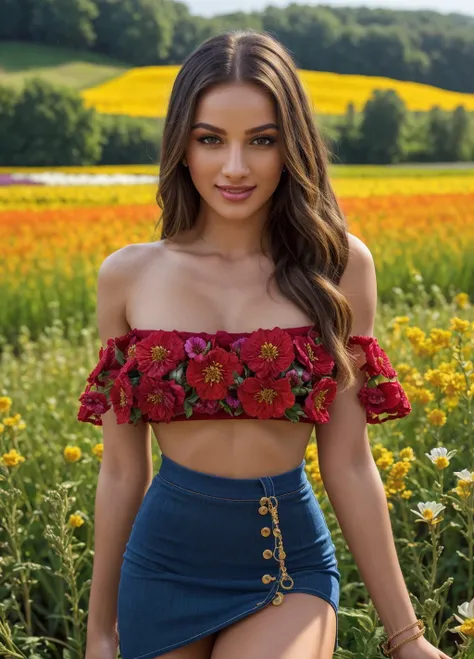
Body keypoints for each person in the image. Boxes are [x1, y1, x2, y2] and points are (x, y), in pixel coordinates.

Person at [78, 29, 446, 659]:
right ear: (182, 146)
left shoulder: (340, 267)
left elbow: (350, 464)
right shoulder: (128, 276)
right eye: (211, 139)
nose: (236, 167)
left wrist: (406, 638)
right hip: (159, 569)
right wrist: (99, 632)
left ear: (293, 146)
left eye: (263, 141)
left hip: (286, 570)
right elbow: (121, 469)